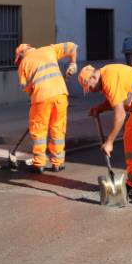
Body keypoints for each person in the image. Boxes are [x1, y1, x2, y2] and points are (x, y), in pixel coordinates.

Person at [78, 64, 132, 205]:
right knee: (130, 143)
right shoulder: (105, 78)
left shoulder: (109, 78)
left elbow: (120, 114)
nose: (92, 91)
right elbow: (115, 99)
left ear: (94, 77)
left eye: (90, 87)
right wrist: (99, 108)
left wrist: (109, 141)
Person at [15, 42, 78, 173]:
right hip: (60, 94)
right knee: (58, 129)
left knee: (39, 130)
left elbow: (25, 87)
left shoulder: (23, 64)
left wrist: (33, 93)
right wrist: (73, 63)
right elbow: (72, 47)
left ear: (21, 55)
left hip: (41, 97)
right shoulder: (49, 50)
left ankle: (39, 163)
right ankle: (58, 163)